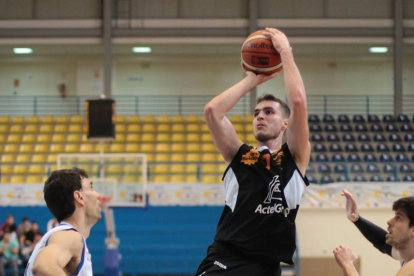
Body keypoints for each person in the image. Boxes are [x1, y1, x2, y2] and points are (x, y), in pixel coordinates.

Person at [195, 27, 310, 276]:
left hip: (268, 267)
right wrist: (253, 79)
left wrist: (285, 52)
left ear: (285, 123)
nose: (260, 116)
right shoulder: (239, 154)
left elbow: (298, 102)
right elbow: (212, 111)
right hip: (227, 259)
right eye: (256, 113)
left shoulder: (295, 158)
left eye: (269, 112)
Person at [25, 167, 102, 276]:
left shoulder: (64, 235)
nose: (98, 195)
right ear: (79, 197)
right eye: (91, 188)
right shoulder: (70, 236)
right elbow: (43, 266)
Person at [333, 195, 414, 276]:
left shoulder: (409, 270)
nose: (389, 221)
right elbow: (382, 242)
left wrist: (347, 265)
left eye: (399, 218)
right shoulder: (407, 254)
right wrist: (357, 219)